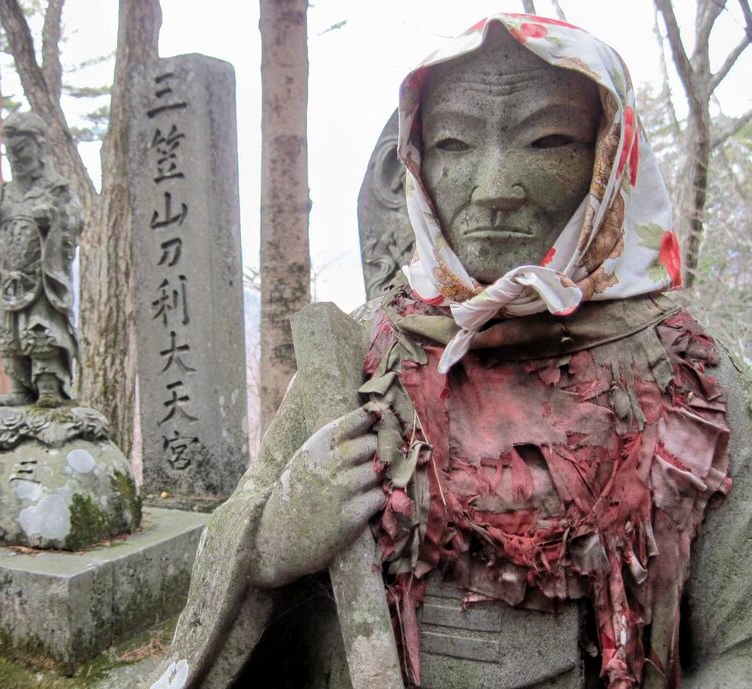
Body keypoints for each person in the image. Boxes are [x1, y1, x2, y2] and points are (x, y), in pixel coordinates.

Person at [144, 15, 752, 689]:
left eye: (546, 139)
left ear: (608, 154)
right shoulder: (358, 355)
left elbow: (741, 644)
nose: (494, 188)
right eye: (455, 144)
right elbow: (237, 535)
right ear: (417, 157)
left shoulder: (691, 373)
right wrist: (271, 539)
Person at [0, 111, 81, 408]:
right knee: (9, 334)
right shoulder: (5, 193)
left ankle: (48, 383)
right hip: (9, 278)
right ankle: (19, 385)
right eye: (10, 152)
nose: (15, 158)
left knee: (40, 330)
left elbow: (74, 220)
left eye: (21, 150)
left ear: (40, 146)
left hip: (40, 278)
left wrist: (54, 219)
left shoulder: (56, 189)